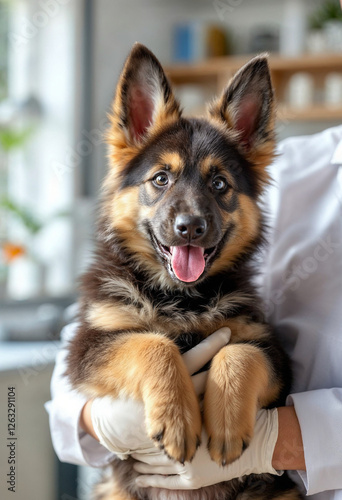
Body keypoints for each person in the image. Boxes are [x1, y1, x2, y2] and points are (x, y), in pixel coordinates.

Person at [45, 124, 342, 499]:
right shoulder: (296, 165)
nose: (190, 217)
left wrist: (274, 441)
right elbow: (79, 353)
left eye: (219, 186)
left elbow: (273, 365)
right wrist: (98, 417)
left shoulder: (237, 282)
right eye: (160, 179)